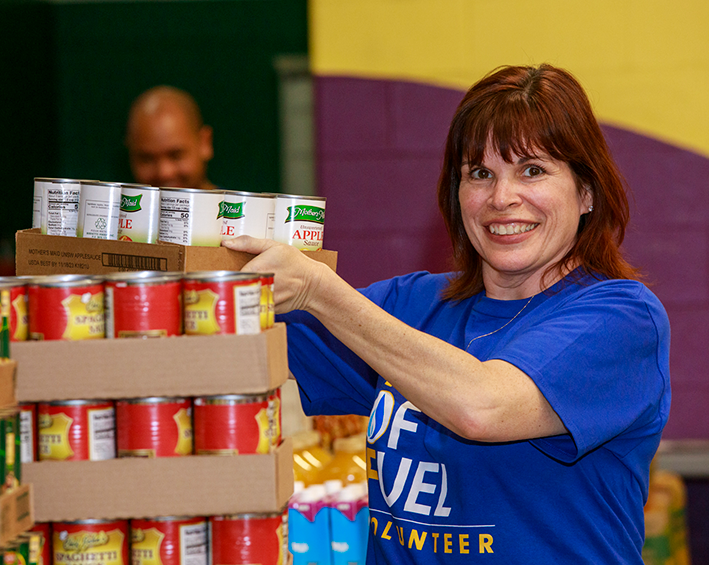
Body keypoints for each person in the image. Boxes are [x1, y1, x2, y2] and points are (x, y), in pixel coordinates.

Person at [223, 64, 671, 563]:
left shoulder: (621, 320)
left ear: (587, 192)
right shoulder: (411, 306)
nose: (502, 198)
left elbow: (481, 406)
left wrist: (318, 289)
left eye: (533, 170)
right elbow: (223, 345)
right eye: (480, 173)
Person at [125, 86, 216, 189]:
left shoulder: (235, 204)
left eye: (175, 155)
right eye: (147, 159)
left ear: (205, 143)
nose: (164, 173)